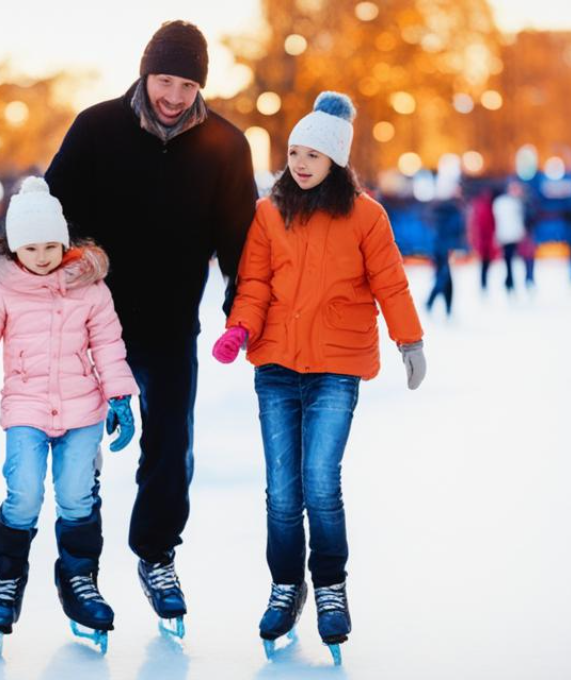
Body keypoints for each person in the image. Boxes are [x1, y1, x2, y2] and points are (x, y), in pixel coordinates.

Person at [44, 19, 257, 628]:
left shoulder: (226, 145)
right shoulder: (96, 127)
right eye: (165, 80)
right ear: (145, 72)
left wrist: (239, 313)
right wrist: (69, 260)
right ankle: (79, 568)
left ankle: (156, 553)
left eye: (187, 85)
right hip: (93, 321)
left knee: (170, 446)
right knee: (81, 446)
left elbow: (239, 243)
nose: (173, 96)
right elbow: (50, 211)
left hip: (169, 324)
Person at [213, 92, 426, 662]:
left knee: (319, 481)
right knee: (282, 490)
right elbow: (253, 283)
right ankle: (287, 587)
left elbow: (391, 283)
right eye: (294, 153)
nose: (301, 163)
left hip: (336, 367)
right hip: (277, 365)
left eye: (313, 154)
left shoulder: (366, 216)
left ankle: (330, 587)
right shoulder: (268, 212)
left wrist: (409, 339)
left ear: (336, 159)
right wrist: (240, 329)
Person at [0, 178, 138, 650]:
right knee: (22, 495)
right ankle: (7, 578)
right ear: (13, 247)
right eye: (30, 247)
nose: (41, 256)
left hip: (83, 410)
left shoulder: (89, 288)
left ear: (64, 243)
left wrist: (121, 398)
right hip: (24, 408)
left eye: (50, 246)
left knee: (77, 497)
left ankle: (80, 580)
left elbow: (108, 345)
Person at [425, 192, 466, 317]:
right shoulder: (451, 211)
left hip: (440, 248)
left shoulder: (442, 210)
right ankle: (433, 303)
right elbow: (453, 231)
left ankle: (443, 306)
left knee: (445, 279)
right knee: (444, 278)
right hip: (444, 249)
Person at [492, 180, 528, 295]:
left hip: (513, 235)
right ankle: (509, 281)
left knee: (513, 260)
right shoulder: (505, 203)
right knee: (509, 260)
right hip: (507, 235)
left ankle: (512, 281)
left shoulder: (516, 202)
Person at [467, 186, 498, 292]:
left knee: (485, 263)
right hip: (485, 241)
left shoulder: (479, 206)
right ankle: (484, 284)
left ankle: (484, 284)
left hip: (484, 241)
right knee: (485, 263)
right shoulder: (485, 207)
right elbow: (485, 226)